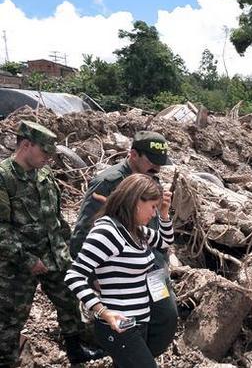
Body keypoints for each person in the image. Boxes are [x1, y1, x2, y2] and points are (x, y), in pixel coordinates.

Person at [0, 121, 105, 366]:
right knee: (10, 317)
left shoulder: (45, 174)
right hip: (18, 265)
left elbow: (56, 218)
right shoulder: (4, 178)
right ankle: (7, 359)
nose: (49, 158)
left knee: (69, 302)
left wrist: (67, 249)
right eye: (45, 152)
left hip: (54, 254)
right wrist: (26, 259)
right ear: (26, 145)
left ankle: (75, 350)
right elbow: (1, 228)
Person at [68, 130, 178, 356]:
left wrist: (164, 214)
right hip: (122, 271)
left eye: (160, 164)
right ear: (133, 154)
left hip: (152, 269)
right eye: (152, 161)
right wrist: (93, 277)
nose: (157, 168)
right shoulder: (108, 182)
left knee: (166, 318)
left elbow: (158, 235)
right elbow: (82, 234)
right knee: (130, 325)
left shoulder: (151, 181)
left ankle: (135, 358)